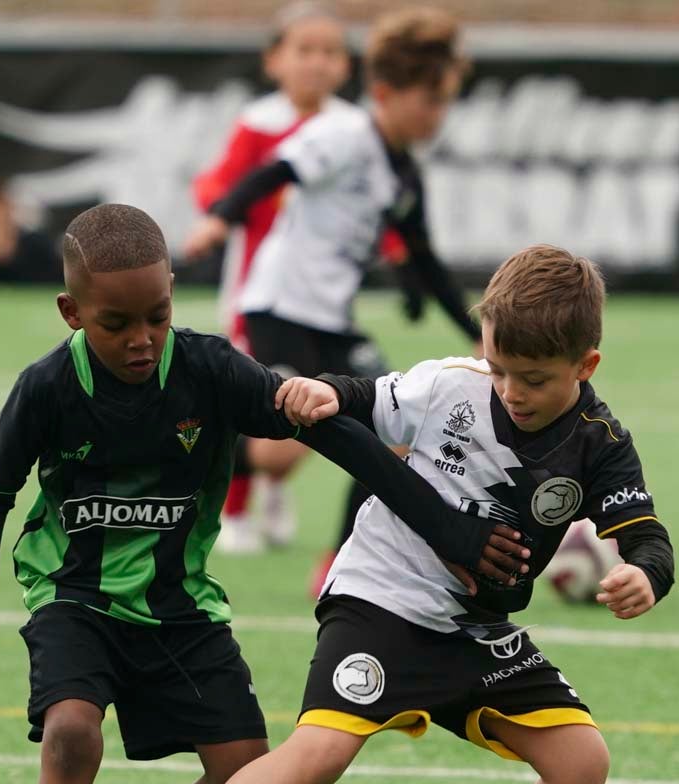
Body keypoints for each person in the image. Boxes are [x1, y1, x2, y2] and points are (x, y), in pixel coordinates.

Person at [0, 203, 528, 784]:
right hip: (73, 596)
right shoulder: (45, 387)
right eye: (116, 324)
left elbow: (334, 434)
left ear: (175, 293)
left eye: (158, 315)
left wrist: (448, 528)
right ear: (72, 313)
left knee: (247, 766)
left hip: (181, 606)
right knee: (72, 733)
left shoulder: (210, 369)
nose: (142, 338)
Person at [113, 244, 675, 784]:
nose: (510, 390)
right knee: (321, 751)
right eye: (499, 367)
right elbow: (361, 397)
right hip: (380, 600)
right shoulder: (450, 385)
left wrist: (642, 572)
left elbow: (646, 534)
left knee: (581, 761)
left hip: (473, 633)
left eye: (534, 379)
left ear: (588, 364)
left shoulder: (599, 444)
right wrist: (318, 392)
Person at [184, 6, 482, 593]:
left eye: (445, 101)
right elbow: (274, 174)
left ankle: (338, 566)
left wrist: (476, 328)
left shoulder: (403, 174)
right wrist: (221, 219)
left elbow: (424, 258)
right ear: (386, 92)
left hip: (332, 321)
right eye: (430, 99)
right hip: (279, 308)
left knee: (399, 430)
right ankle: (167, 452)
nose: (438, 115)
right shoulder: (343, 134)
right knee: (283, 446)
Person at [191, 2, 357, 554]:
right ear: (274, 60)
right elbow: (218, 185)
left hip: (320, 295)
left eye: (330, 52)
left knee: (313, 399)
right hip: (257, 293)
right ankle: (234, 513)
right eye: (304, 50)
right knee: (255, 399)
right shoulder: (259, 124)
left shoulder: (348, 129)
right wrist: (218, 214)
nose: (317, 63)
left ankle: (274, 483)